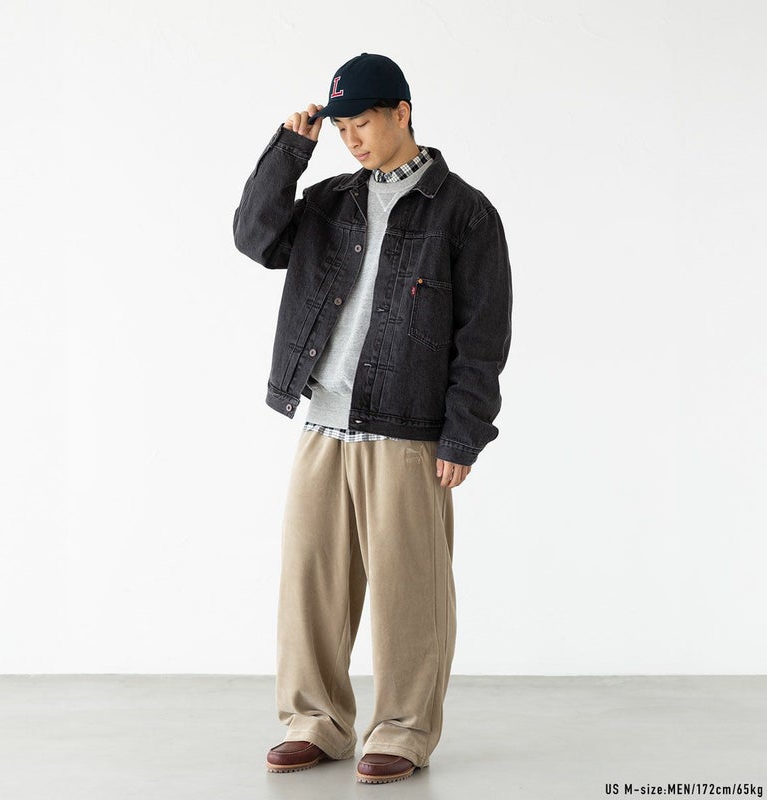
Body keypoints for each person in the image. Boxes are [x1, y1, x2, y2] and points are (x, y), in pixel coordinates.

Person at [232, 52, 512, 785]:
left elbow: (483, 337)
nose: (350, 138)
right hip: (324, 422)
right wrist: (289, 150)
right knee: (311, 583)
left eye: (360, 122)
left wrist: (464, 433)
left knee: (409, 590)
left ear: (401, 113)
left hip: (408, 429)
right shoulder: (328, 200)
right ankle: (315, 722)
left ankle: (404, 730)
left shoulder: (465, 213)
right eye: (340, 127)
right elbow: (255, 237)